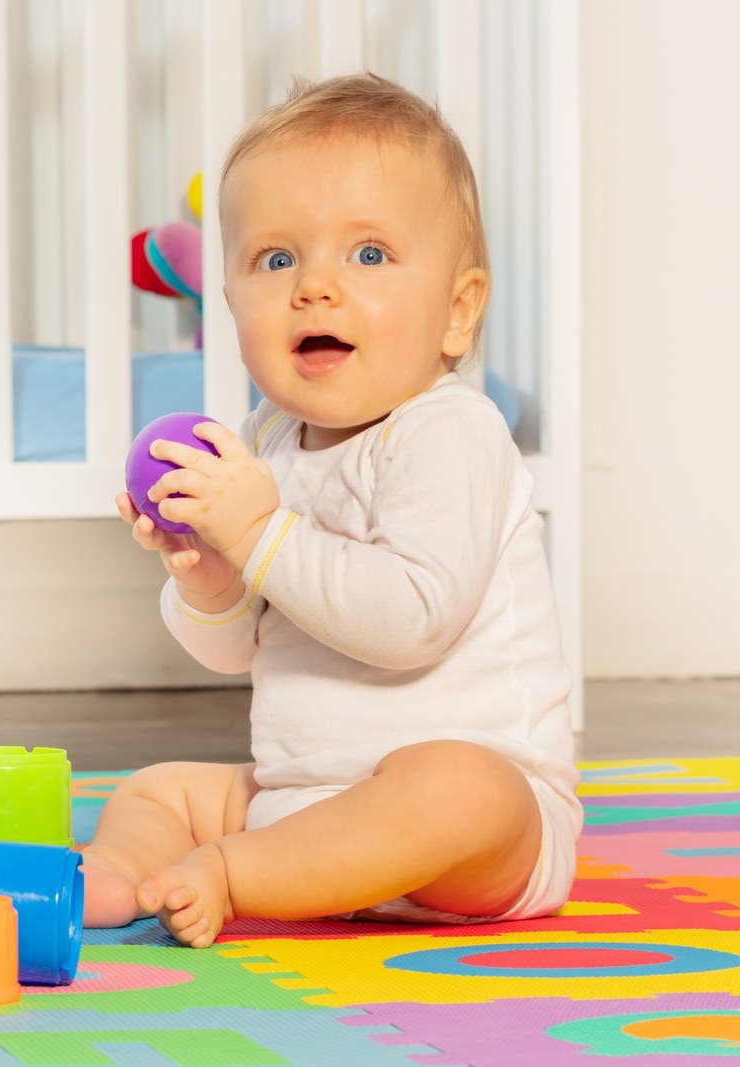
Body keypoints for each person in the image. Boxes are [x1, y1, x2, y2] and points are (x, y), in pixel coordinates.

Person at [79, 72, 581, 947]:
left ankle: (237, 874)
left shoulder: (450, 430)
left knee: (454, 785)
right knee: (157, 788)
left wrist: (261, 532)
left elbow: (412, 620)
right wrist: (210, 573)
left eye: (369, 254)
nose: (315, 286)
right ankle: (125, 874)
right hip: (305, 796)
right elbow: (233, 649)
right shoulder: (269, 440)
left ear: (457, 311)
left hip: (479, 836)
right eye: (277, 260)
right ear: (232, 304)